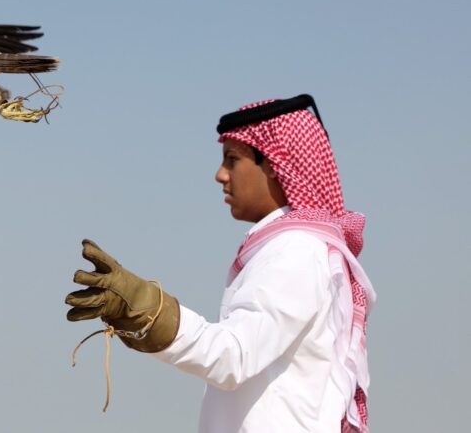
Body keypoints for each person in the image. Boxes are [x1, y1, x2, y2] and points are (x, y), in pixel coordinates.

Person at [65, 94, 375, 433]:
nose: (220, 175)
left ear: (275, 164)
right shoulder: (290, 247)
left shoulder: (296, 250)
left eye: (232, 160)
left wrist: (149, 311)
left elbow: (234, 356)